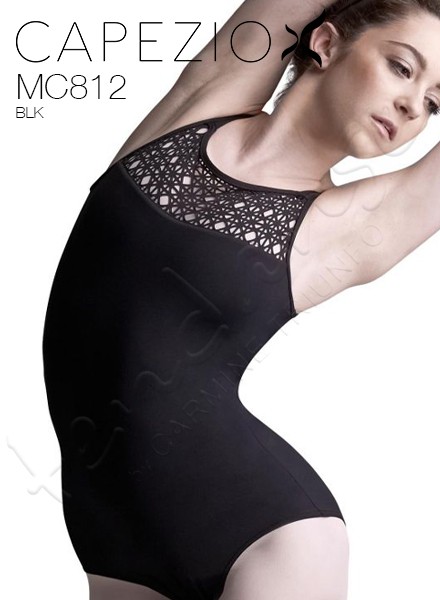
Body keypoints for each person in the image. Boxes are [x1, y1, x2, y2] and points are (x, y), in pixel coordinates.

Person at [41, 1, 440, 599]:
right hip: (110, 536)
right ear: (326, 43)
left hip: (267, 542)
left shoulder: (353, 226)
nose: (413, 106)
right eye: (402, 68)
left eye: (435, 103)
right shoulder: (205, 100)